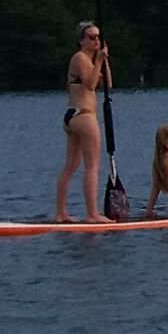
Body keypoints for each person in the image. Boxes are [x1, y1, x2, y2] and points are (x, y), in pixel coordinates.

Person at [55, 20, 111, 224]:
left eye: (98, 37)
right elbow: (89, 85)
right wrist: (98, 62)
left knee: (71, 166)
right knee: (92, 166)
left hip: (75, 116)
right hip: (83, 116)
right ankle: (92, 214)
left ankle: (61, 213)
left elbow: (108, 85)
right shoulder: (79, 58)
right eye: (92, 37)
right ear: (81, 41)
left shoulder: (91, 60)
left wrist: (104, 59)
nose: (96, 40)